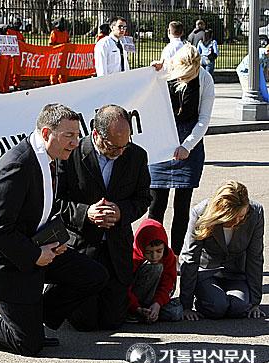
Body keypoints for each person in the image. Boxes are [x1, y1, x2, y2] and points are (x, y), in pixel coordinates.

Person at [0, 104, 108, 356]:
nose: (76, 142)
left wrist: (56, 240)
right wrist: (36, 255)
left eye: (77, 135)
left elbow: (43, 208)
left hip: (36, 247)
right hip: (6, 262)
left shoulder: (51, 157)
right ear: (47, 133)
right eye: (69, 135)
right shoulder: (17, 166)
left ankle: (32, 320)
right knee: (28, 345)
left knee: (93, 274)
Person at [57, 104, 151, 331]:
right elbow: (54, 202)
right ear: (96, 134)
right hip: (82, 245)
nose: (119, 152)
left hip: (116, 250)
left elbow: (143, 199)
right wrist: (85, 214)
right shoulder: (70, 154)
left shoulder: (136, 156)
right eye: (112, 147)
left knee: (112, 322)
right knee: (84, 323)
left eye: (124, 145)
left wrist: (121, 212)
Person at [149, 44, 215, 257]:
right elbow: (145, 94)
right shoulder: (167, 69)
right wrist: (152, 71)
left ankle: (175, 255)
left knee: (182, 206)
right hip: (164, 139)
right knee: (156, 203)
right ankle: (151, 252)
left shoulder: (205, 79)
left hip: (189, 141)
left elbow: (204, 119)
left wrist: (188, 145)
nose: (184, 78)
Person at [180, 181, 265, 321]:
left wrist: (255, 302)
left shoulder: (256, 213)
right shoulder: (201, 212)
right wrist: (186, 305)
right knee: (217, 307)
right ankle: (204, 298)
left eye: (242, 216)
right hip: (206, 272)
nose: (238, 221)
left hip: (236, 274)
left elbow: (255, 258)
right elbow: (190, 257)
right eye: (233, 217)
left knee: (240, 307)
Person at [127, 219, 182, 323]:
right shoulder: (133, 256)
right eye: (148, 252)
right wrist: (136, 307)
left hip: (154, 298)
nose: (154, 256)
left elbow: (168, 283)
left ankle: (149, 312)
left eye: (159, 251)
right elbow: (125, 286)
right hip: (133, 299)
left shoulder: (168, 256)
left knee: (175, 313)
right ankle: (136, 312)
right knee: (154, 266)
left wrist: (157, 304)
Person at [49, 17, 70, 85]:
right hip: (56, 55)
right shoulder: (54, 32)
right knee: (55, 70)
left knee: (63, 70)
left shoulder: (65, 32)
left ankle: (63, 83)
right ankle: (53, 83)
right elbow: (51, 44)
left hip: (64, 54)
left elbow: (68, 42)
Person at [7, 16, 25, 90]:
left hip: (18, 55)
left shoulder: (20, 34)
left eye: (19, 24)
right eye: (17, 24)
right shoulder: (9, 31)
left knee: (17, 71)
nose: (18, 26)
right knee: (10, 70)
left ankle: (16, 84)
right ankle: (9, 84)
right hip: (11, 55)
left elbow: (24, 44)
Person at [0, 25, 12, 93]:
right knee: (0, 74)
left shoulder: (8, 37)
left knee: (7, 74)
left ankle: (6, 87)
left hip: (7, 57)